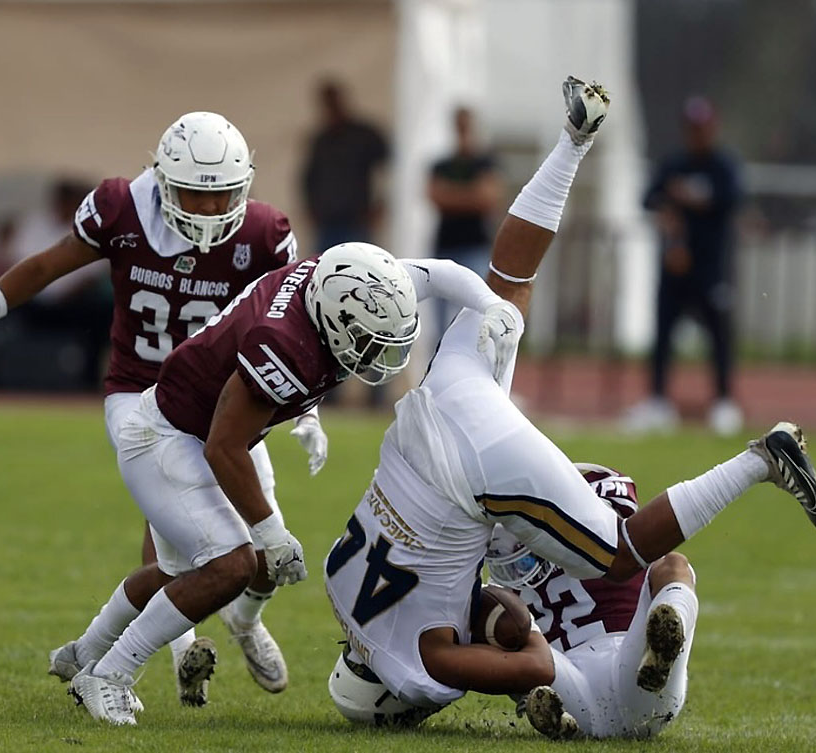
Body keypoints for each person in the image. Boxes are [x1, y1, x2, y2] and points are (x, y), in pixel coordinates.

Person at [323, 78, 816, 741]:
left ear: (393, 701)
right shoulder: (339, 578)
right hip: (435, 408)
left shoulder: (418, 668)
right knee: (510, 280)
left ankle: (759, 461)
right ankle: (575, 138)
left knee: (618, 556)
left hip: (474, 471)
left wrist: (495, 634)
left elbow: (526, 652)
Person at [0, 111, 326, 703]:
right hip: (140, 393)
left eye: (223, 198)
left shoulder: (264, 234)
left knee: (260, 551)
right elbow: (46, 265)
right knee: (185, 535)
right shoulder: (121, 210)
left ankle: (243, 623)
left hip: (226, 398)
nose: (212, 213)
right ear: (164, 180)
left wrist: (308, 412)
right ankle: (161, 648)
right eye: (197, 195)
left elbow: (293, 324)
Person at [47, 231, 522, 725]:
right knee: (231, 566)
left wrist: (491, 305)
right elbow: (223, 446)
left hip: (195, 429)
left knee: (176, 576)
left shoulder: (357, 281)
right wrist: (270, 533)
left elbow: (443, 271)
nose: (372, 354)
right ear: (335, 322)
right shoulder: (282, 341)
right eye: (364, 341)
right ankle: (110, 674)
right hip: (167, 438)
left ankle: (86, 652)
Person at [486, 464, 699, 740]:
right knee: (674, 565)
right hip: (643, 685)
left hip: (575, 686)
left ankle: (550, 710)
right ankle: (669, 630)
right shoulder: (613, 548)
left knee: (506, 629)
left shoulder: (506, 585)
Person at [625, 96, 745, 436]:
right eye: (692, 128)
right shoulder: (674, 164)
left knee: (719, 336)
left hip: (711, 268)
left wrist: (688, 198)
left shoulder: (723, 166)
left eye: (703, 127)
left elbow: (731, 199)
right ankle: (659, 401)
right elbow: (648, 197)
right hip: (674, 267)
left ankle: (723, 402)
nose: (697, 134)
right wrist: (667, 209)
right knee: (663, 334)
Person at [427, 106, 504, 333]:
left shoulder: (485, 162)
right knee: (441, 322)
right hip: (446, 246)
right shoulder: (441, 164)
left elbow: (488, 199)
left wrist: (451, 196)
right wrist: (470, 195)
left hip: (474, 246)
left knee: (476, 315)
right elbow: (434, 196)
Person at [301, 78, 390, 253]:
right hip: (327, 223)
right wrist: (311, 210)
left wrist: (381, 203)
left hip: (357, 219)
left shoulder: (364, 135)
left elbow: (387, 170)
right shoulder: (320, 140)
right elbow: (308, 179)